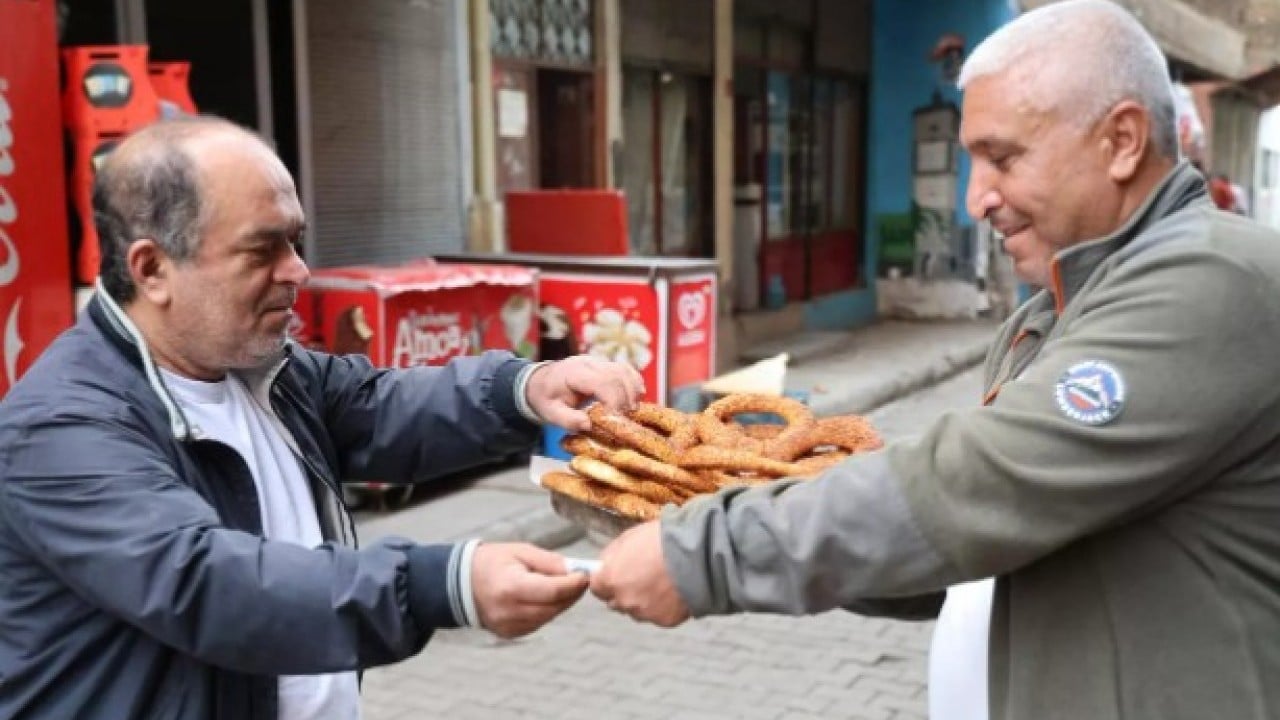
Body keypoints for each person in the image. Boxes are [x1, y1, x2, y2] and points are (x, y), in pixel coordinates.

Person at [589, 2, 1280, 719]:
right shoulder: (1052, 312)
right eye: (970, 162)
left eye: (1003, 158)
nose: (974, 198)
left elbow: (976, 484)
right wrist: (718, 516)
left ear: (1122, 140)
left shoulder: (1212, 283)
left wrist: (706, 552)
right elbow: (972, 541)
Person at [0, 117, 644, 720]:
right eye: (262, 251)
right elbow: (205, 583)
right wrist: (437, 584)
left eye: (297, 241)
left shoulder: (262, 368)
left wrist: (525, 389)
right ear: (152, 268)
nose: (298, 272)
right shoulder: (60, 429)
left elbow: (376, 406)